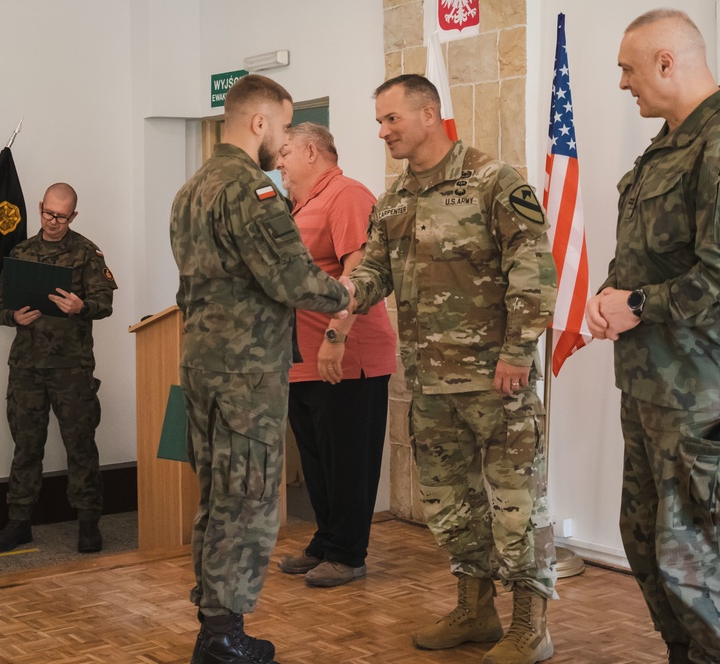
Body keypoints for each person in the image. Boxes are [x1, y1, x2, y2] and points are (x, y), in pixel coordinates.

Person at [584, 10, 720, 664]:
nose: (622, 83)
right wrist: (611, 301)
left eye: (629, 68)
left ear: (668, 63)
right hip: (654, 389)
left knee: (703, 561)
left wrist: (636, 305)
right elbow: (655, 256)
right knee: (649, 546)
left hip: (707, 399)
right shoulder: (672, 144)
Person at [345, 74, 558, 664]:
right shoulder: (393, 200)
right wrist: (341, 293)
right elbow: (374, 273)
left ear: (429, 112)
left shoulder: (494, 181)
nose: (383, 130)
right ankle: (475, 608)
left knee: (516, 506)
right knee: (451, 506)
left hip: (497, 381)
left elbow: (533, 269)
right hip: (430, 386)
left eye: (392, 119)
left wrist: (518, 351)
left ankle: (530, 625)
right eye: (380, 121)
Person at [170, 74, 351, 664]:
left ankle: (213, 621)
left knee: (216, 493)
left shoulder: (192, 189)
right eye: (283, 124)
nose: (283, 139)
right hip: (245, 374)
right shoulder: (252, 190)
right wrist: (347, 292)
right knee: (246, 499)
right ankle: (223, 637)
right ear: (259, 122)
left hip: (202, 365)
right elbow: (292, 279)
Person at [273, 123, 396, 588]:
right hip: (301, 362)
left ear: (311, 151)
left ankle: (348, 553)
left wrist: (334, 334)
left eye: (285, 153)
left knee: (347, 459)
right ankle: (326, 541)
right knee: (318, 458)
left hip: (346, 356)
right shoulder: (299, 205)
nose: (279, 162)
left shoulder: (346, 195)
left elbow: (358, 271)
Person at [0, 182, 117, 555]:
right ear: (40, 206)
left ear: (73, 216)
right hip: (27, 368)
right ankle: (19, 522)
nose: (53, 221)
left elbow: (104, 301)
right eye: (48, 213)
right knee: (26, 445)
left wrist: (82, 307)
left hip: (71, 369)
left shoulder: (86, 253)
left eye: (61, 216)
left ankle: (89, 522)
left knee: (80, 445)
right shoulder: (22, 251)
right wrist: (13, 315)